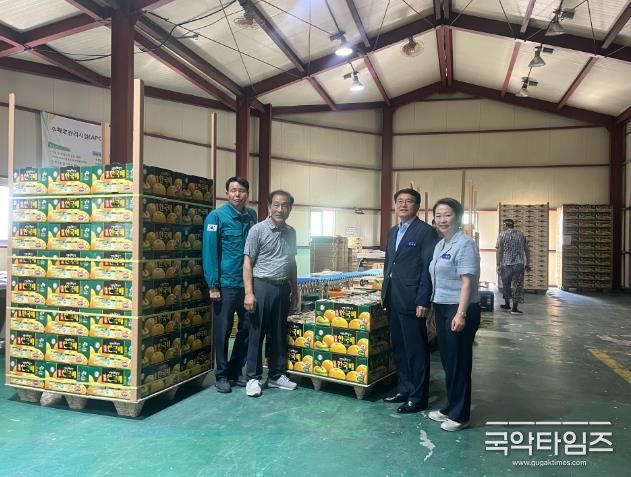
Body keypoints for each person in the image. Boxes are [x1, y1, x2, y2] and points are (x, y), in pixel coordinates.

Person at [381, 188, 439, 414]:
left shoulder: (426, 232)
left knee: (416, 350)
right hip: (393, 297)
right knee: (399, 348)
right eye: (399, 201)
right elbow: (389, 264)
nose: (403, 205)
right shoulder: (393, 231)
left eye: (409, 201)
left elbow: (428, 268)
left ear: (417, 206)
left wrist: (423, 299)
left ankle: (418, 397)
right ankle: (404, 389)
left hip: (412, 300)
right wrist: (384, 292)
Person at [427, 198, 481, 432]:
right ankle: (451, 407)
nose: (442, 220)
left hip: (459, 308)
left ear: (457, 218)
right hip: (442, 307)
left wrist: (461, 313)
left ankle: (460, 415)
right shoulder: (441, 245)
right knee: (448, 361)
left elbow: (468, 282)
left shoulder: (465, 244)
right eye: (438, 215)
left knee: (459, 362)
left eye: (447, 215)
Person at [202, 176, 257, 393]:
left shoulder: (251, 216)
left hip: (247, 285)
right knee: (223, 331)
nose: (237, 194)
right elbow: (209, 251)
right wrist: (213, 284)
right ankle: (222, 375)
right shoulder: (216, 217)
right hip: (225, 285)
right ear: (227, 193)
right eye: (233, 190)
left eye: (241, 190)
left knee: (247, 328)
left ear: (247, 194)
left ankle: (235, 371)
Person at [243, 190, 299, 397]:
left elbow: (291, 262)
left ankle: (276, 375)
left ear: (290, 209)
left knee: (279, 332)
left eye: (285, 206)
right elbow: (247, 263)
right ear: (268, 206)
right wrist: (249, 293)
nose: (280, 209)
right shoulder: (257, 230)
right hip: (262, 286)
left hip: (282, 287)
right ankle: (252, 378)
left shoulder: (291, 232)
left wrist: (295, 290)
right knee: (256, 333)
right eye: (276, 205)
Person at [496, 218, 530, 314]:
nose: (502, 227)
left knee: (506, 285)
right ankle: (514, 308)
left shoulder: (502, 235)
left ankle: (507, 305)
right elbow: (527, 250)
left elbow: (499, 251)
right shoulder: (521, 235)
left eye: (503, 225)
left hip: (506, 264)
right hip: (519, 264)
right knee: (517, 286)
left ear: (506, 225)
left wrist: (498, 264)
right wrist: (528, 263)